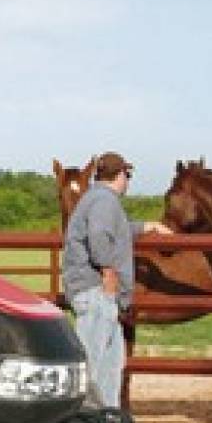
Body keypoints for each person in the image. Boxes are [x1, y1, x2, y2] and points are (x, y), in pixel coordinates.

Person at [63, 152, 172, 409]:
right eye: (128, 175)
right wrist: (108, 271)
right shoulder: (104, 201)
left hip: (97, 294)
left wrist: (146, 226)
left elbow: (116, 228)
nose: (128, 181)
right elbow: (99, 235)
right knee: (95, 366)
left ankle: (105, 421)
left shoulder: (97, 199)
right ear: (120, 175)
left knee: (110, 365)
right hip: (97, 292)